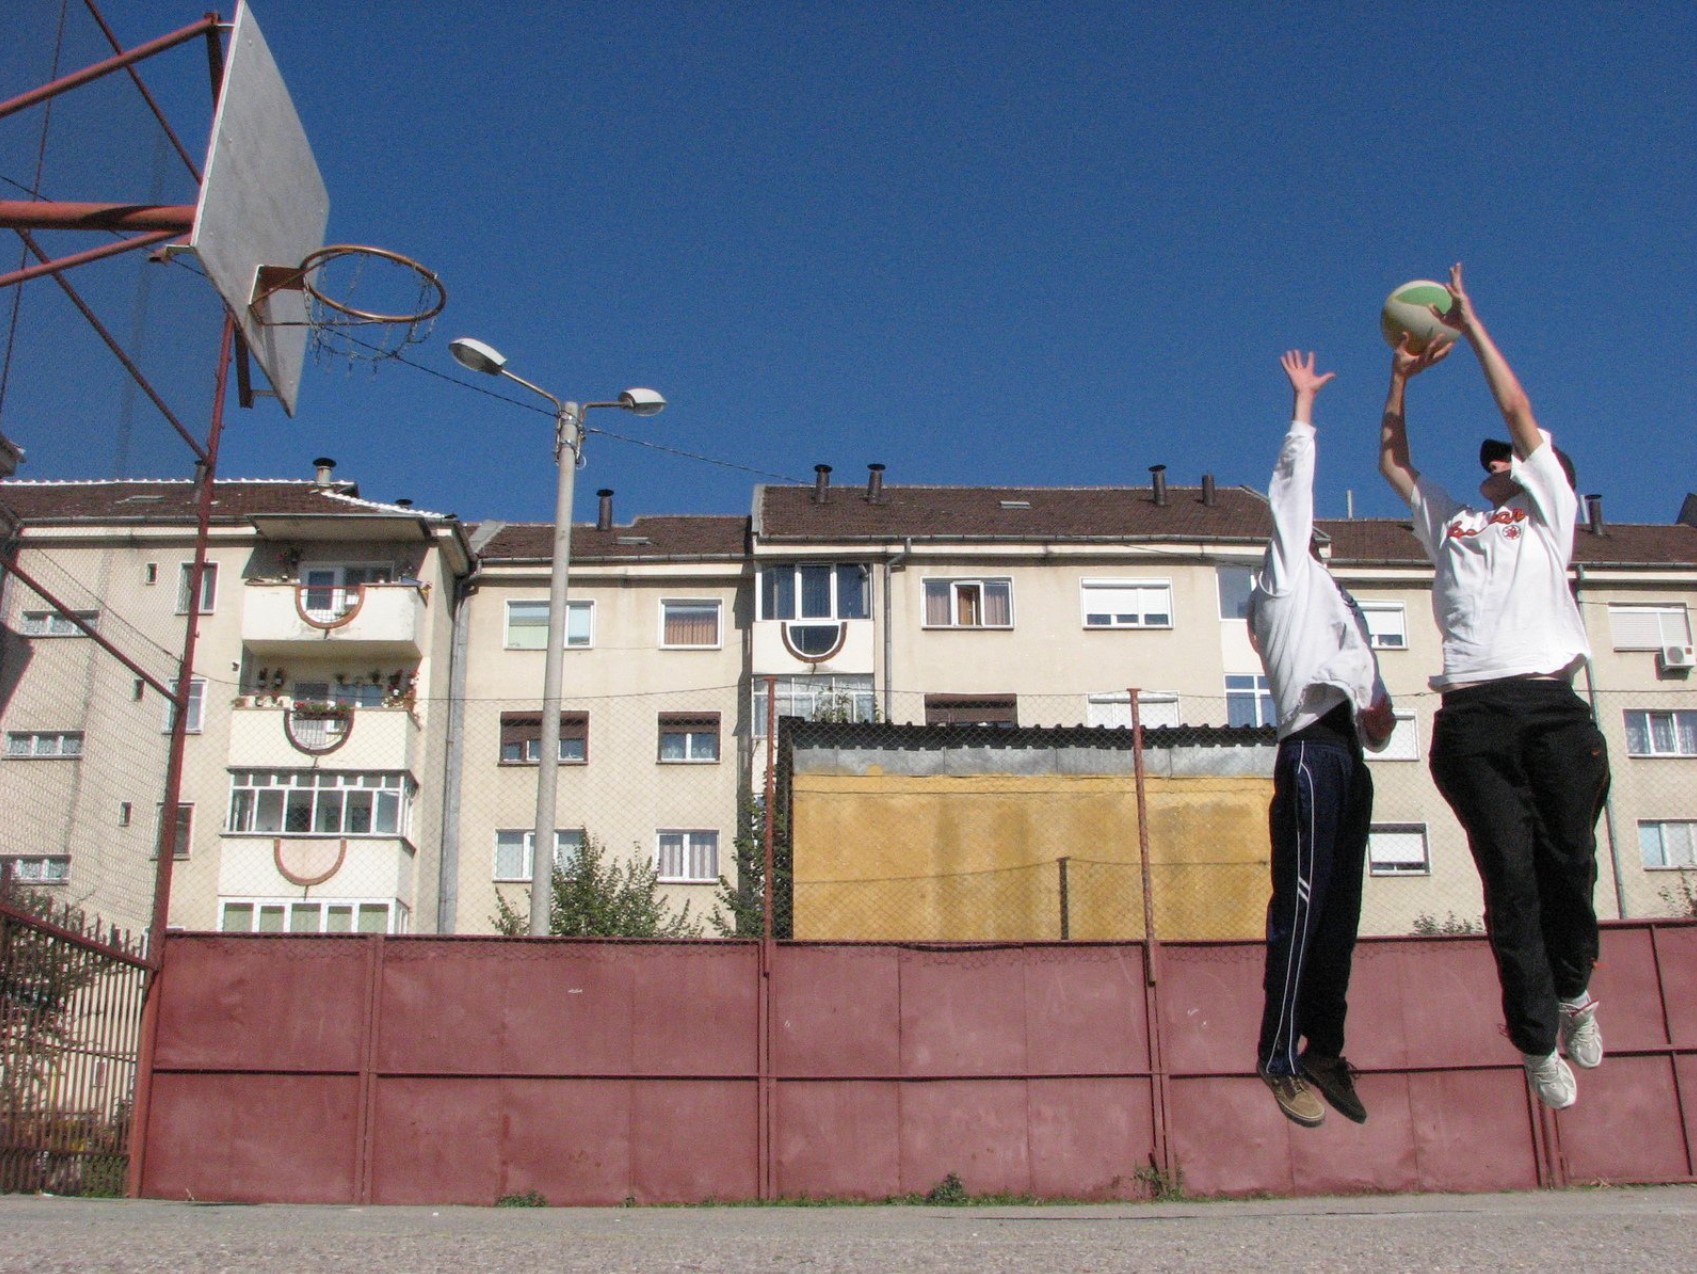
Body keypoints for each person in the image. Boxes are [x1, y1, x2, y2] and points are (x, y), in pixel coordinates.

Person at [1378, 263, 1611, 1111]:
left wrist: (1471, 326)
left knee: (1568, 863)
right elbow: (1391, 459)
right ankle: (1534, 1039)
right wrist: (1398, 380)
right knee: (1507, 882)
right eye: (1490, 462)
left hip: (1551, 707)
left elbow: (1517, 411)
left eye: (1506, 459)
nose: (1494, 463)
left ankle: (1574, 991)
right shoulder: (1453, 523)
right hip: (1472, 714)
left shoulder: (1548, 515)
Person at [1248, 350, 1396, 1128]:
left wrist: (1378, 719)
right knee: (1300, 910)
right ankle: (1277, 1056)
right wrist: (1302, 409)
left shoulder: (1343, 612)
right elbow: (1290, 496)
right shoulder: (1280, 588)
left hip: (1351, 759)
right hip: (1306, 753)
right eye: (1311, 541)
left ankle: (1324, 1050)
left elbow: (1383, 710)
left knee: (1341, 914)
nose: (1319, 545)